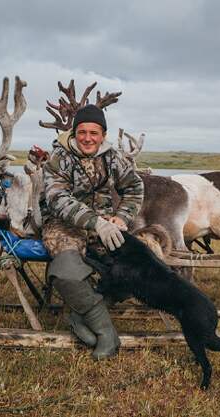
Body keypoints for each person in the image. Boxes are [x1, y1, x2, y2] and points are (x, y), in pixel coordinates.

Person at [41, 104, 144, 359]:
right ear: (75, 132)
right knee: (67, 270)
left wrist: (121, 218)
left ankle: (80, 315)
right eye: (82, 132)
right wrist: (95, 222)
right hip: (62, 224)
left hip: (105, 224)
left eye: (94, 133)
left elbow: (134, 187)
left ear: (103, 135)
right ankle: (106, 332)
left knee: (139, 264)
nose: (87, 138)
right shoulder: (59, 157)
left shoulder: (113, 157)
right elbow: (57, 199)